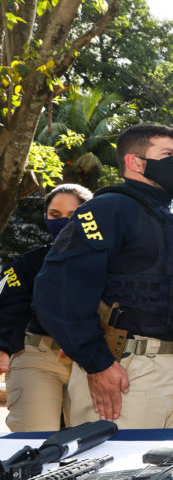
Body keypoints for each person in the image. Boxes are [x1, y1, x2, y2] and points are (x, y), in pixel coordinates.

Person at [34, 124, 173, 428]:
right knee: (115, 473)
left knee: (166, 473)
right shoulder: (108, 209)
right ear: (134, 162)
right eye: (168, 154)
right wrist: (97, 364)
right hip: (127, 370)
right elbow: (58, 290)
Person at [0, 184, 92, 431]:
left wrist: (84, 342)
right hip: (38, 357)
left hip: (94, 362)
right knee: (35, 440)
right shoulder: (27, 262)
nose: (63, 222)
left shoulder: (115, 262)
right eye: (55, 215)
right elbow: (10, 307)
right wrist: (4, 346)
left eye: (74, 215)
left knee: (91, 445)